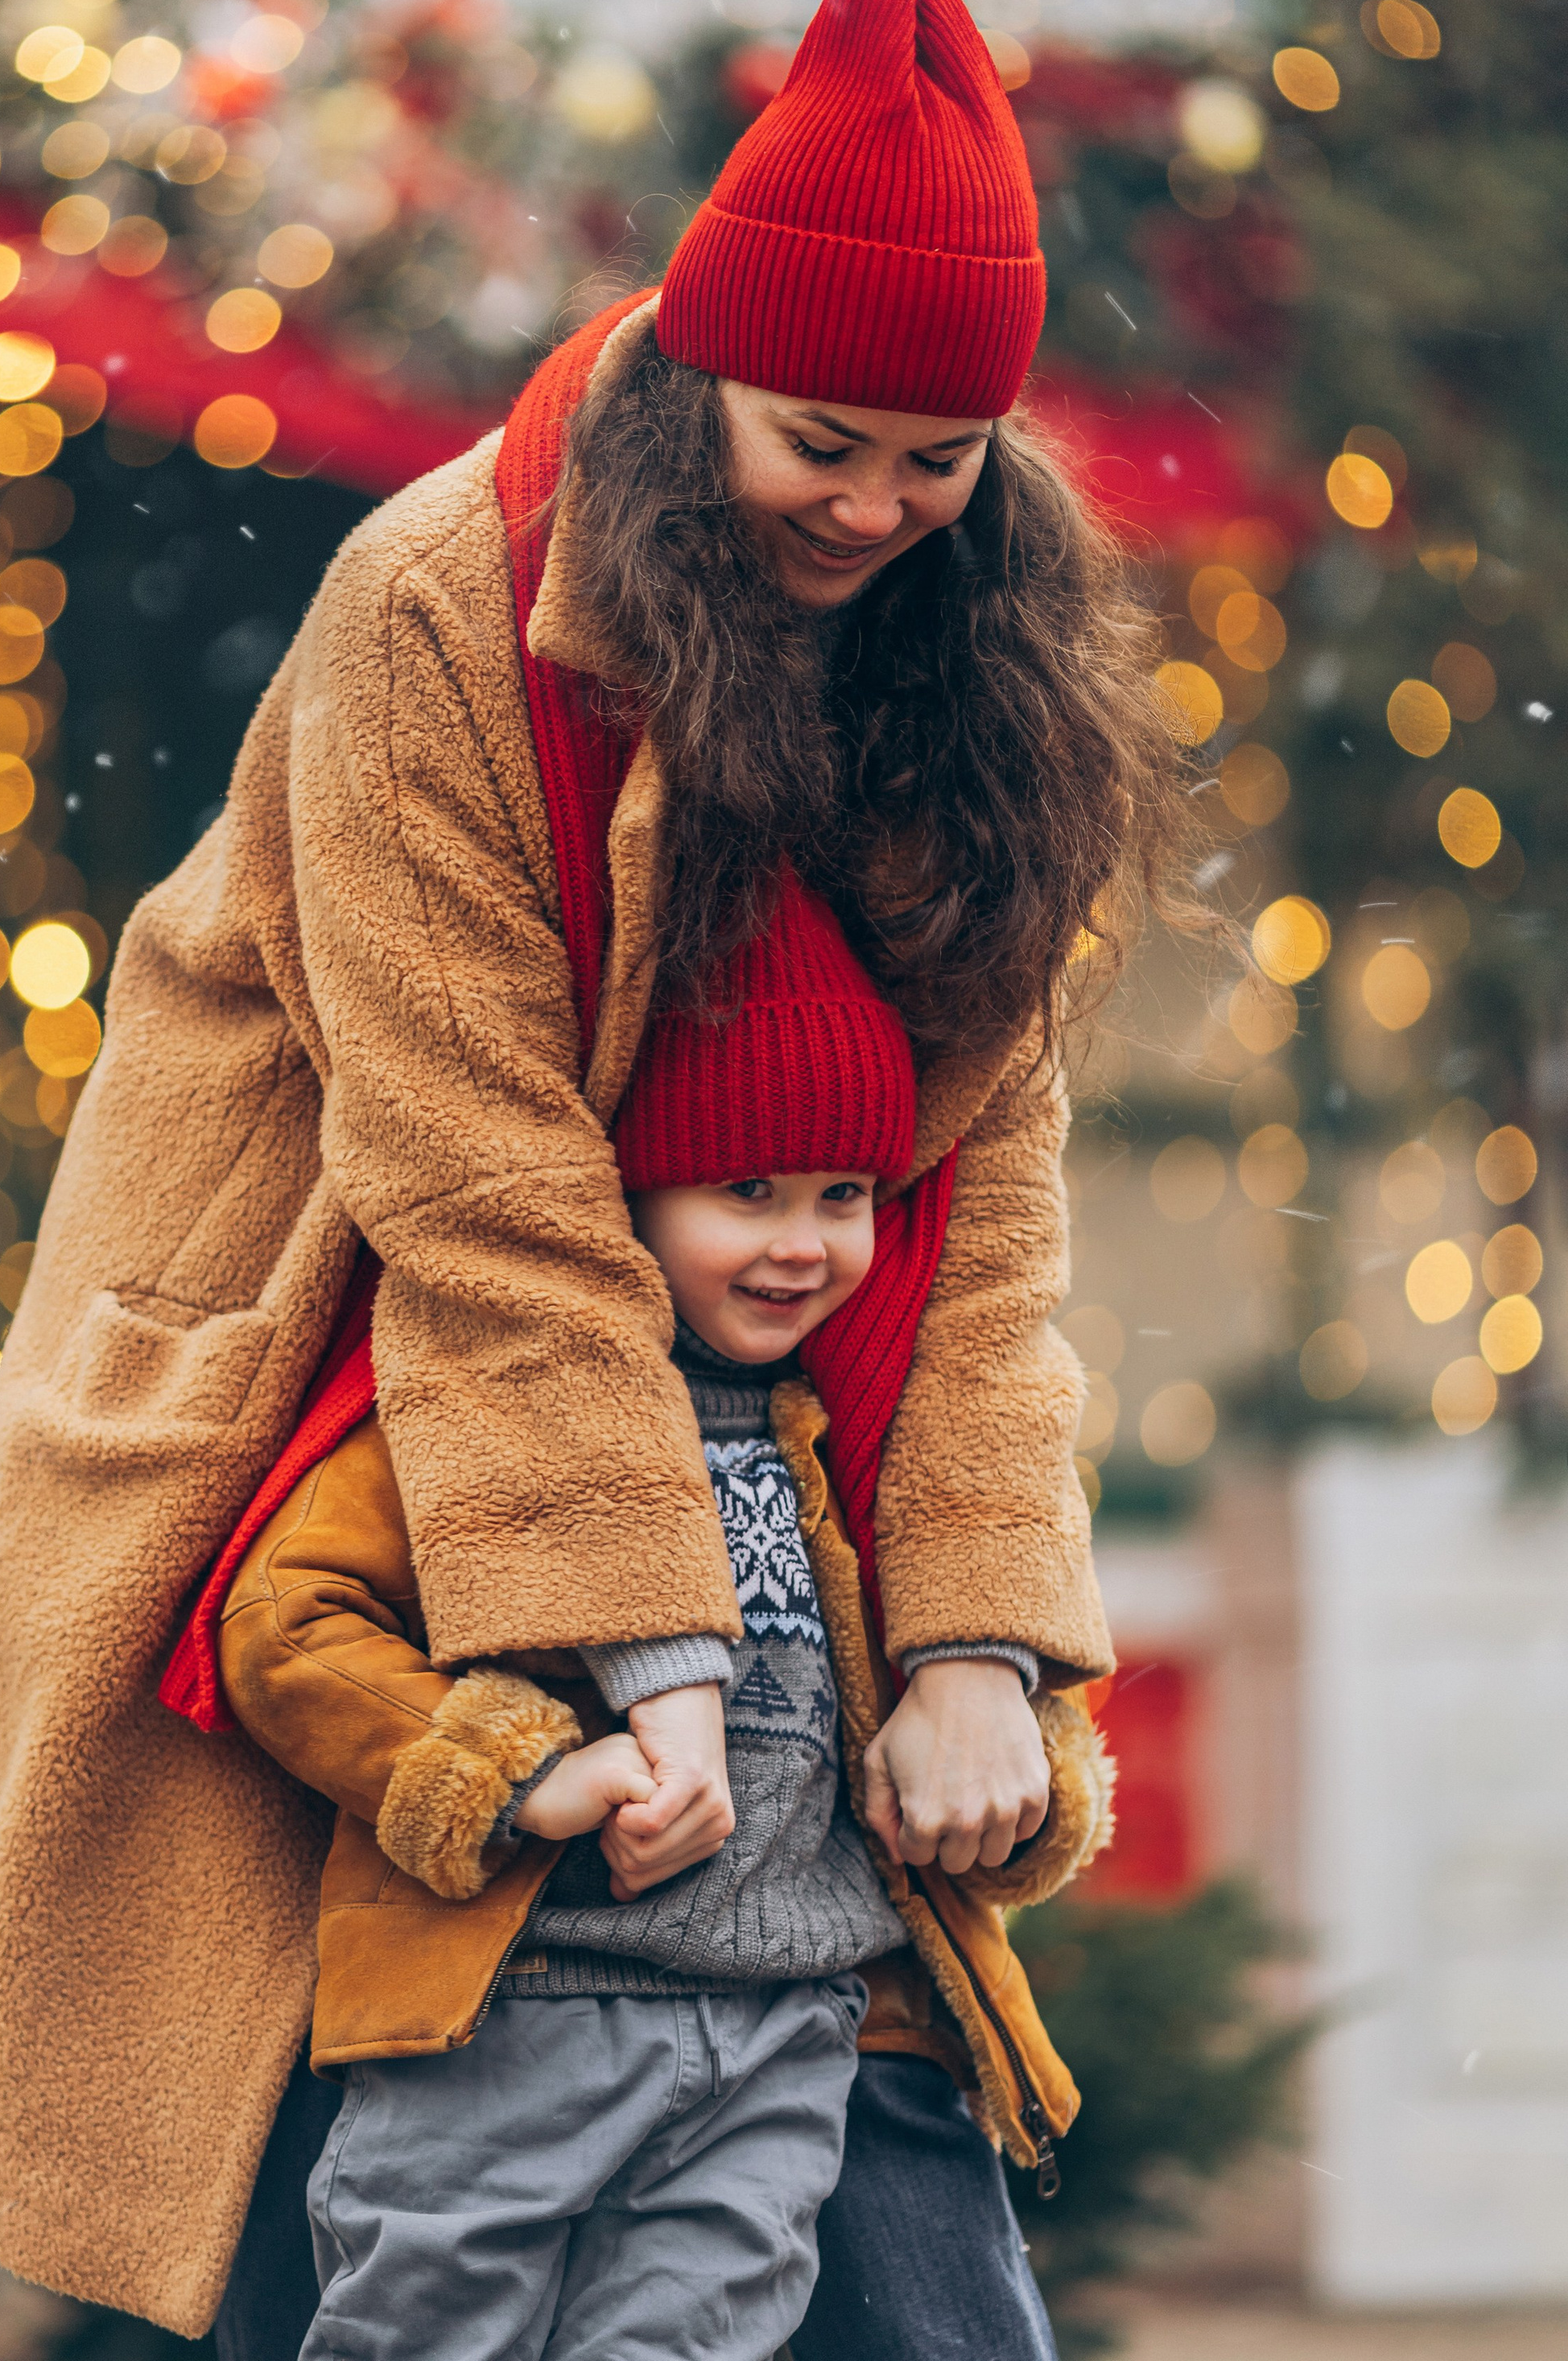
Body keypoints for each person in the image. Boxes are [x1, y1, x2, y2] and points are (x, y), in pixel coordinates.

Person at [0, 0, 1192, 2351]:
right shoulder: (438, 591)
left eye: (939, 460)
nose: (875, 506)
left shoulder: (997, 638)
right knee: (337, 2109)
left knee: (853, 2133)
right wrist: (655, 1656)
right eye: (823, 438)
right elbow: (475, 1167)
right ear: (712, 365)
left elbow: (988, 1182)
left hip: (776, 1321)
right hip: (353, 1294)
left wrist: (974, 1647)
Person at [214, 872, 1112, 2361]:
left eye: (843, 1196)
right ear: (632, 1195)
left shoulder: (846, 1431)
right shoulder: (483, 1407)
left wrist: (1010, 1763)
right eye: (743, 1191)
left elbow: (953, 1681)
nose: (801, 1243)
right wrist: (516, 1771)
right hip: (518, 2015)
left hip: (781, 2034)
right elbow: (286, 1627)